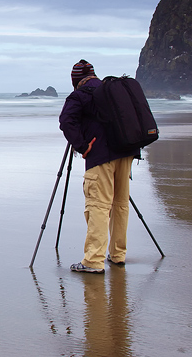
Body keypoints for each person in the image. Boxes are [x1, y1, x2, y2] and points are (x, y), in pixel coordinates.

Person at [58, 60, 138, 274]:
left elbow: (66, 121)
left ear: (75, 80)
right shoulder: (112, 91)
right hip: (127, 152)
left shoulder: (80, 95)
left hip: (100, 156)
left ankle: (93, 261)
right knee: (120, 204)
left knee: (98, 206)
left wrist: (82, 146)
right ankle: (118, 254)